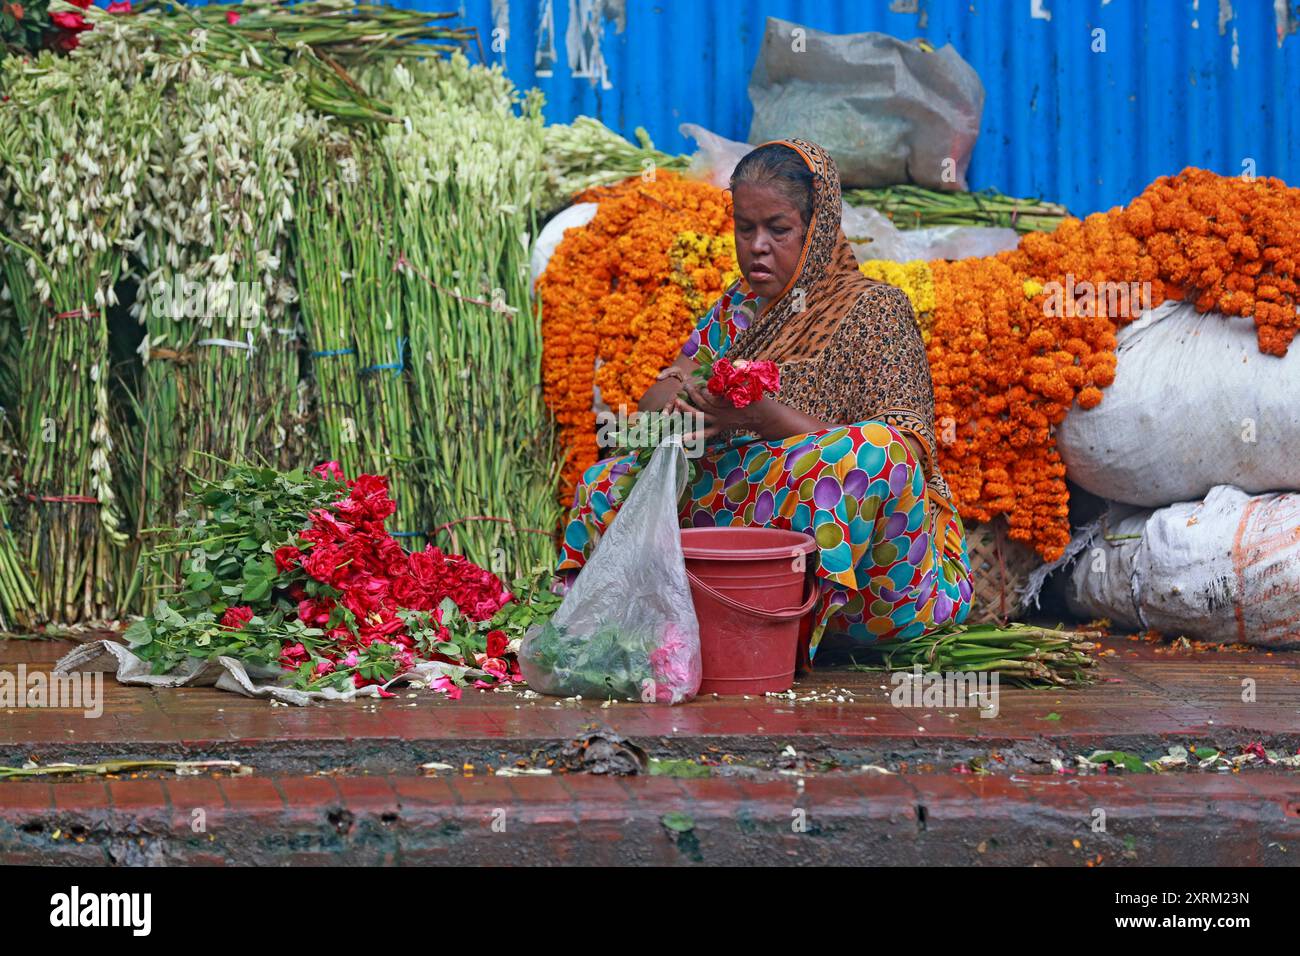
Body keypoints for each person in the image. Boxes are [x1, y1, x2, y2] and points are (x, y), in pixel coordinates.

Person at [557, 138, 973, 661]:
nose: (757, 246)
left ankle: (799, 625)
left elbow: (909, 450)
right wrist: (691, 402)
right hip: (756, 519)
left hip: (876, 576)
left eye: (778, 230)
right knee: (607, 482)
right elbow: (656, 395)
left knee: (871, 453)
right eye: (744, 228)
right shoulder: (738, 309)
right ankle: (673, 619)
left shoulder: (874, 310)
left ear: (816, 228)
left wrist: (762, 415)